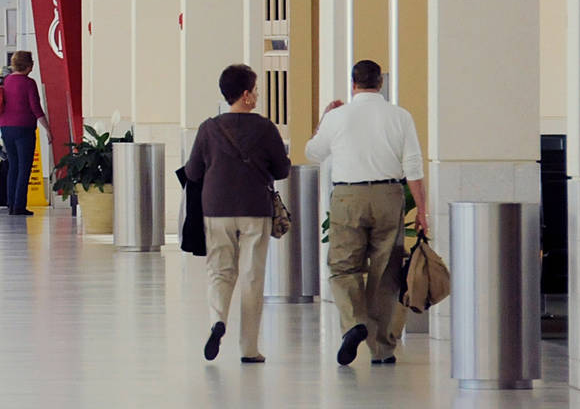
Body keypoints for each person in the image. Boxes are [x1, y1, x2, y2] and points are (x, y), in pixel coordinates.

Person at [307, 59, 427, 367]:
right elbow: (413, 166)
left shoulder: (338, 116)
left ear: (353, 83)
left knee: (343, 267)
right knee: (386, 271)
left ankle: (353, 323)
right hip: (389, 194)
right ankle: (382, 350)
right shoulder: (400, 116)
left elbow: (314, 153)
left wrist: (324, 120)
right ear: (380, 83)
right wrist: (422, 210)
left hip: (348, 195)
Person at [183, 64, 293, 363]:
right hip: (254, 209)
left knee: (220, 270)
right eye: (255, 89)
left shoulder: (209, 128)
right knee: (252, 276)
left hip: (216, 209)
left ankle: (217, 320)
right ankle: (249, 348)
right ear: (245, 95)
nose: (257, 95)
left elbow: (193, 172)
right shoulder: (265, 127)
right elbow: (282, 170)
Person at [0, 50, 46, 215]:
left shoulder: (7, 81)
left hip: (6, 127)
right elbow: (36, 108)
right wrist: (48, 129)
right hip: (24, 128)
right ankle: (19, 206)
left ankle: (11, 203)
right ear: (29, 65)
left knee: (13, 166)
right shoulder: (29, 83)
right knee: (25, 167)